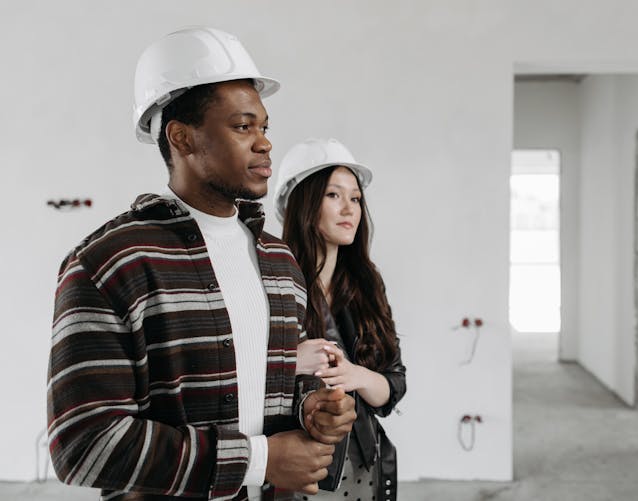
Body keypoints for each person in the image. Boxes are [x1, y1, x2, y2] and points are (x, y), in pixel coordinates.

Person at [46, 28, 355, 501]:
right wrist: (263, 460)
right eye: (242, 126)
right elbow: (84, 445)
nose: (265, 144)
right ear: (181, 137)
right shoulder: (110, 264)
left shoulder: (280, 261)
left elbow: (270, 381)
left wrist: (310, 403)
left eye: (264, 127)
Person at [273, 138, 406, 501]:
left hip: (366, 467)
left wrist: (356, 375)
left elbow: (393, 386)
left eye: (356, 198)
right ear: (303, 203)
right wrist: (291, 362)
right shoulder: (274, 284)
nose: (349, 208)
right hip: (300, 472)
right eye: (333, 195)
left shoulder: (365, 284)